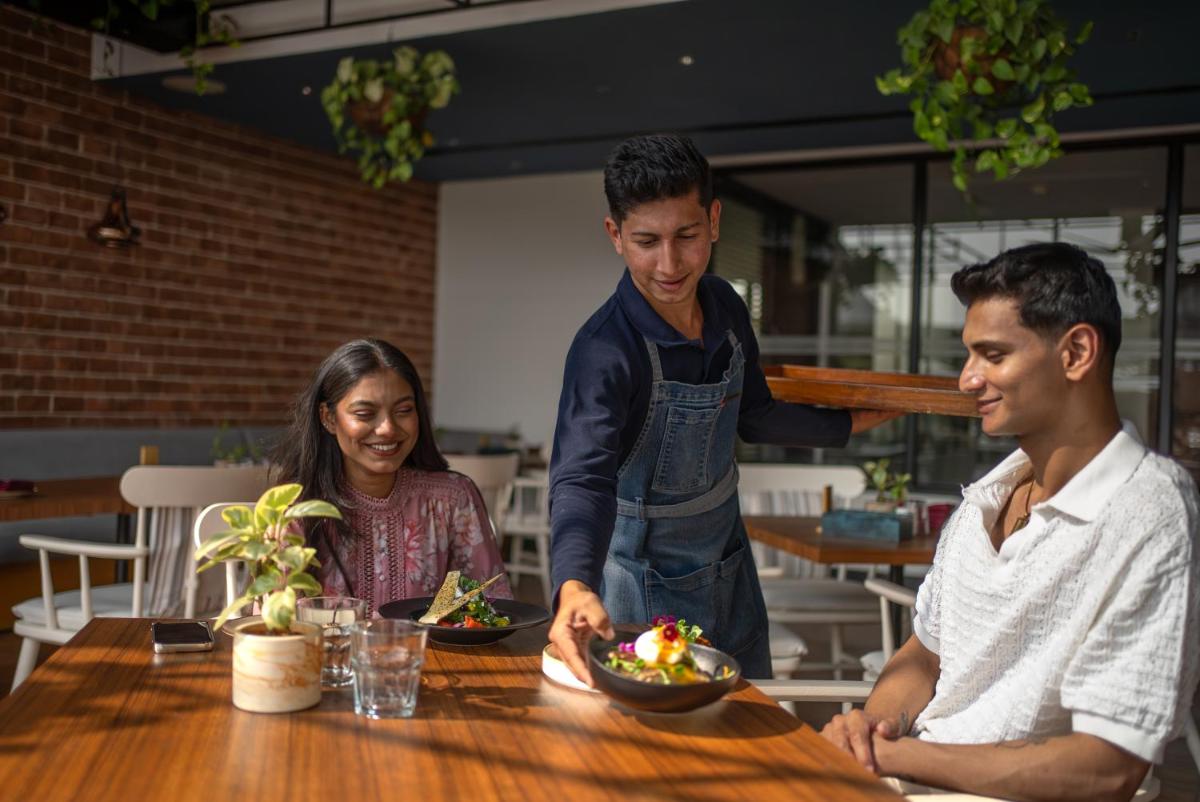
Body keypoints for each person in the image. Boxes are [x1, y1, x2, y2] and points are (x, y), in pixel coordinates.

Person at [820, 243, 1200, 801]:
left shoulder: (1150, 510)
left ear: (1076, 353)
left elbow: (1106, 768)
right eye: (969, 356)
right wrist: (871, 729)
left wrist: (893, 755)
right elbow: (925, 654)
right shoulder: (986, 498)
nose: (967, 380)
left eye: (992, 356)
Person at [547, 134, 898, 683]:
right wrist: (573, 583)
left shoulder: (726, 306)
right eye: (647, 240)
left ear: (713, 220)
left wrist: (845, 425)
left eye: (686, 235)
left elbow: (753, 413)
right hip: (644, 581)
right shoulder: (604, 350)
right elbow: (581, 479)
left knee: (747, 708)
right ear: (615, 235)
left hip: (730, 566)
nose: (669, 263)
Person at [274, 338, 512, 616]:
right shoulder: (300, 509)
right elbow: (277, 622)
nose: (387, 428)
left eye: (403, 411)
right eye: (365, 413)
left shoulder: (452, 498)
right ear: (328, 418)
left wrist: (457, 614)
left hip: (431, 659)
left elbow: (491, 604)